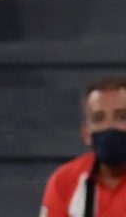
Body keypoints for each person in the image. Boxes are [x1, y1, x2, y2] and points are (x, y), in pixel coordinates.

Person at [41, 78, 126, 217]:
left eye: (122, 117)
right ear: (86, 133)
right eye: (99, 118)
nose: (110, 126)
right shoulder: (64, 181)